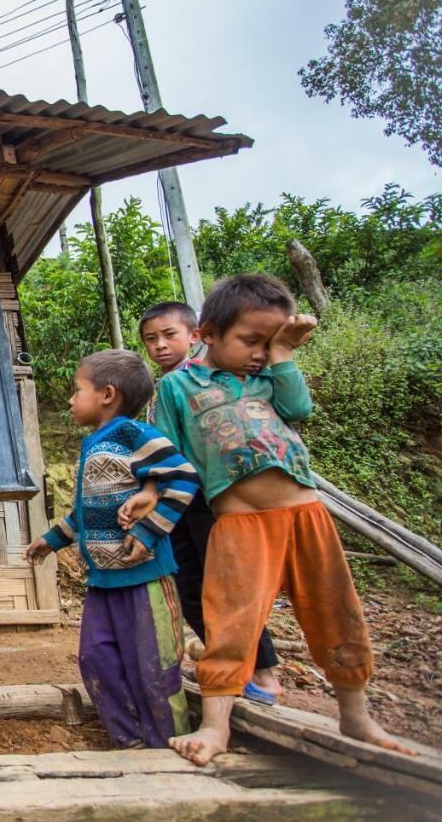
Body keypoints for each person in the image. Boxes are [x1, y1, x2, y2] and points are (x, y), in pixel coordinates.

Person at [152, 273, 414, 765]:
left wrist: (284, 354)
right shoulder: (178, 385)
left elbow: (300, 408)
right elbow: (171, 454)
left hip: (305, 514)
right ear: (208, 334)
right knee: (228, 621)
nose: (259, 352)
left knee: (335, 609)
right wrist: (154, 496)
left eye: (267, 343)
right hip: (239, 522)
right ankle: (215, 727)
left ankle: (355, 713)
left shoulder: (270, 377)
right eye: (251, 340)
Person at [25, 349, 200, 749]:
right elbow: (86, 513)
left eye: (76, 390)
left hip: (146, 579)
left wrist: (149, 533)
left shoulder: (134, 435)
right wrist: (51, 541)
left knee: (154, 666)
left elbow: (184, 478)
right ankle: (129, 741)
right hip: (103, 582)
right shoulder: (94, 444)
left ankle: (166, 744)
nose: (70, 400)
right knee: (96, 659)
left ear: (107, 394)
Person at [133, 301, 283, 706]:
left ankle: (262, 674)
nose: (160, 345)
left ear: (195, 336)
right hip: (180, 500)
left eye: (170, 335)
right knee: (191, 586)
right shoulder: (169, 383)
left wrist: (151, 488)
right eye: (151, 339)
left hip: (202, 499)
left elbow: (170, 448)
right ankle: (236, 668)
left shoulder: (197, 381)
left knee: (223, 588)